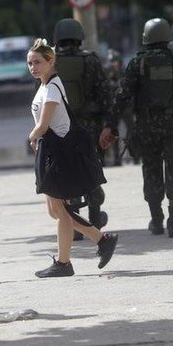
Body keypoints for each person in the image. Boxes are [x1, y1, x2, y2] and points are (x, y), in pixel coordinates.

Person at [99, 18, 173, 238]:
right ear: (168, 36)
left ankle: (157, 221)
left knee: (151, 170)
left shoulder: (137, 63)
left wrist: (110, 124)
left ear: (146, 38)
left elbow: (122, 96)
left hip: (147, 127)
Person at [27, 38, 118, 278]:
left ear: (51, 61)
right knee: (56, 211)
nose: (33, 67)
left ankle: (65, 262)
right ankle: (101, 239)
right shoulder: (45, 86)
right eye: (29, 63)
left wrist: (32, 135)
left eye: (37, 62)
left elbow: (44, 124)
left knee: (60, 210)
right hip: (51, 151)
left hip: (60, 153)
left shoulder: (53, 87)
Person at [53, 18, 111, 237]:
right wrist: (109, 124)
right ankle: (95, 217)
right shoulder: (91, 61)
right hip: (88, 128)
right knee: (90, 171)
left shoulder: (51, 63)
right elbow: (105, 94)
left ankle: (76, 225)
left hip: (61, 130)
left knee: (68, 174)